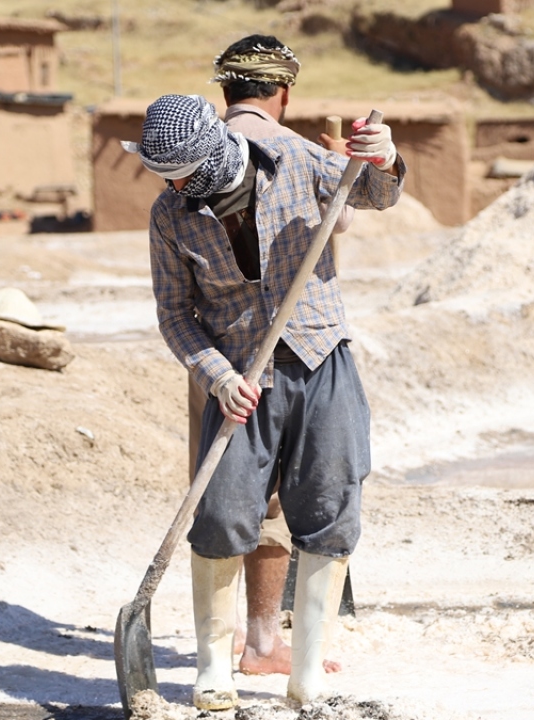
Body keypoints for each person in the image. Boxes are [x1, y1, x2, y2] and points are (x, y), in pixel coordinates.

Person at [124, 93, 403, 710]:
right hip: (240, 383)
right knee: (222, 514)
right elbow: (175, 315)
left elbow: (373, 194)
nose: (175, 187)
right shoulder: (170, 216)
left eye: (183, 175)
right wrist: (218, 376)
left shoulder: (295, 162)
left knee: (329, 505)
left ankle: (306, 674)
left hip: (320, 359)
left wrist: (383, 159)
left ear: (214, 154)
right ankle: (212, 670)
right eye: (166, 177)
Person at [181, 35, 351, 678]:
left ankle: (226, 653)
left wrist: (217, 375)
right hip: (291, 354)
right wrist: (354, 167)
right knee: (279, 501)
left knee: (223, 499)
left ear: (224, 92)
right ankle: (261, 642)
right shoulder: (301, 153)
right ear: (283, 92)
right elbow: (351, 216)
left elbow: (174, 311)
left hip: (218, 362)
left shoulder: (191, 158)